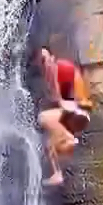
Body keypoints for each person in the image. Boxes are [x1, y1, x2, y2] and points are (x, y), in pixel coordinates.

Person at [37, 47, 92, 187]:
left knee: (43, 118)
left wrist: (69, 103)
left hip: (79, 112)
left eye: (45, 59)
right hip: (69, 116)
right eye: (41, 61)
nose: (44, 63)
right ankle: (57, 172)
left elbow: (74, 99)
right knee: (49, 144)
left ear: (52, 57)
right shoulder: (49, 77)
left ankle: (68, 137)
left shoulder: (62, 68)